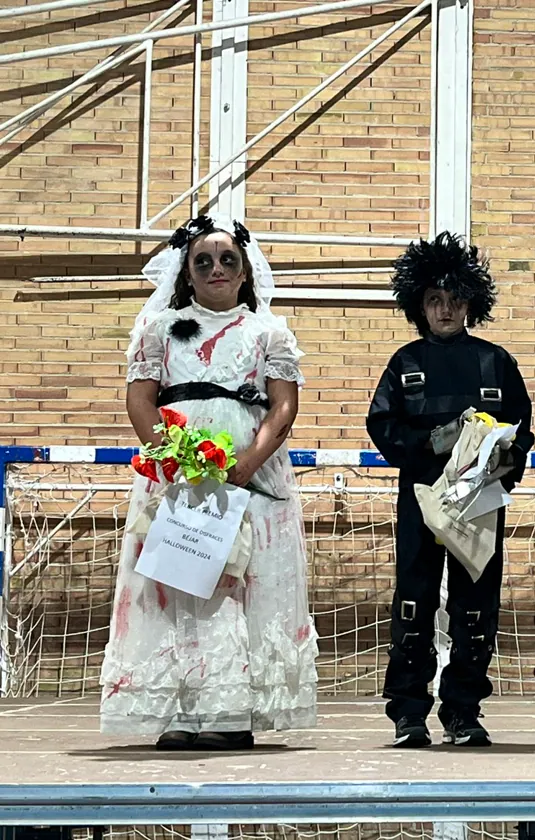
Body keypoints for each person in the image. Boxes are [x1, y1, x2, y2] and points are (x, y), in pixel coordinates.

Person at [102, 215, 318, 750]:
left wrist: (247, 462)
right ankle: (181, 709)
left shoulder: (268, 331)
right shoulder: (159, 330)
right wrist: (170, 458)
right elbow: (140, 398)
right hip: (177, 473)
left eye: (227, 260)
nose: (216, 268)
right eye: (204, 261)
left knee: (244, 581)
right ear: (187, 272)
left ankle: (232, 710)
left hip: (250, 475)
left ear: (245, 272)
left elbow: (284, 403)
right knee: (178, 582)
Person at [367, 232, 534, 748]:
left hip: (480, 502)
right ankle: (409, 713)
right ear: (420, 305)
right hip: (422, 500)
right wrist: (428, 443)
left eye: (455, 299)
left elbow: (522, 427)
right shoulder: (404, 363)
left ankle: (463, 710)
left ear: (471, 303)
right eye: (435, 300)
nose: (445, 309)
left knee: (476, 607)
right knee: (414, 602)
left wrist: (508, 455)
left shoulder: (496, 362)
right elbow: (381, 425)